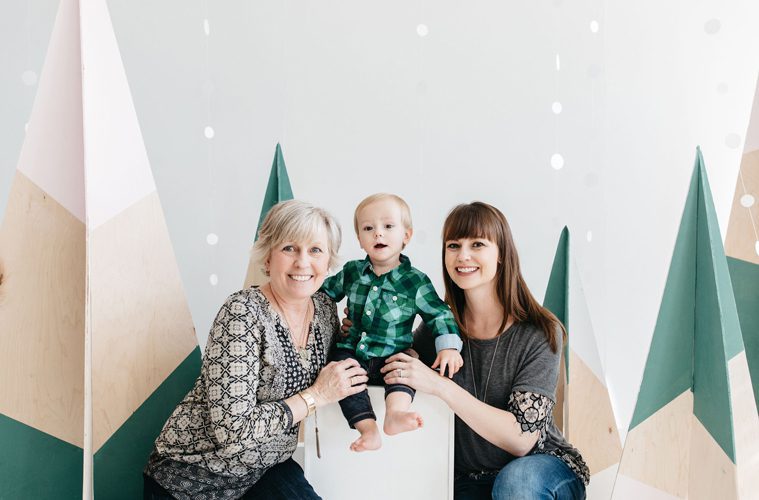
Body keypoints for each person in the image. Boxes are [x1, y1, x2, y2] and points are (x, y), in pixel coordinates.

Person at [360, 201, 588, 499]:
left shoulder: (539, 332)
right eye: (453, 245)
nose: (463, 256)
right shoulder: (436, 332)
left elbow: (521, 439)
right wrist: (361, 331)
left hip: (541, 467)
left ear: (502, 254)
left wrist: (440, 385)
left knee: (516, 483)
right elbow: (391, 369)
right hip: (468, 479)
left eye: (477, 244)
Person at [143, 200, 369, 500]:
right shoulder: (242, 313)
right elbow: (234, 432)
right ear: (267, 259)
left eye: (315, 250)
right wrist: (317, 396)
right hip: (193, 478)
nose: (303, 262)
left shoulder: (326, 311)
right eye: (289, 248)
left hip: (264, 470)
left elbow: (356, 352)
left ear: (328, 263)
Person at [321, 193, 463, 452]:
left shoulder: (414, 281)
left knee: (405, 372)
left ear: (406, 236)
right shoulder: (352, 272)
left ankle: (395, 414)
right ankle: (367, 429)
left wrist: (448, 347)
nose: (378, 234)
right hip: (353, 351)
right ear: (360, 239)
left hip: (392, 355)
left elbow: (439, 313)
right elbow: (323, 293)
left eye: (388, 226)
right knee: (343, 374)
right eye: (368, 228)